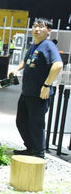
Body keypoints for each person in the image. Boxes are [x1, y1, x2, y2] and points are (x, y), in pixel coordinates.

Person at [9, 18, 63, 158]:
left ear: (48, 30)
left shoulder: (48, 45)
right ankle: (31, 148)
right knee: (21, 122)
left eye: (41, 26)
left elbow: (58, 65)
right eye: (34, 26)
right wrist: (16, 69)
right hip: (27, 92)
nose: (37, 29)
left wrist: (47, 85)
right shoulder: (34, 45)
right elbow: (25, 60)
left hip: (39, 94)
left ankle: (39, 154)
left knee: (36, 124)